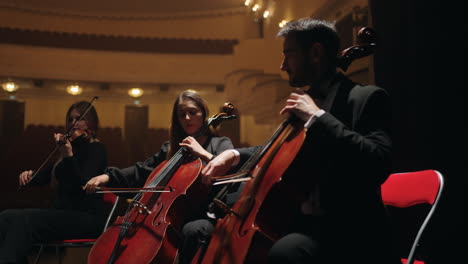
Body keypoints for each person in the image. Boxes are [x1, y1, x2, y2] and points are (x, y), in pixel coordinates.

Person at [200, 18, 401, 263]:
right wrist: (234, 155)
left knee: (284, 253)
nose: (283, 65)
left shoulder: (365, 98)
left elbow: (378, 161)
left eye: (289, 55)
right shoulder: (306, 103)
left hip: (348, 230)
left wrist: (317, 117)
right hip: (298, 220)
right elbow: (277, 151)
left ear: (315, 53)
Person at [83, 90, 234, 262]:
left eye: (192, 112)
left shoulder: (220, 144)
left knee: (194, 230)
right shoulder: (172, 149)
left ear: (203, 114)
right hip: (165, 217)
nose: (187, 118)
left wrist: (202, 153)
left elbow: (230, 174)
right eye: (181, 114)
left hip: (204, 214)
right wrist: (107, 177)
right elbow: (142, 171)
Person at [0, 101, 108, 264]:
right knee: (5, 217)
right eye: (70, 119)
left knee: (25, 221)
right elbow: (46, 175)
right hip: (63, 213)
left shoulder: (97, 150)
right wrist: (30, 176)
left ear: (91, 122)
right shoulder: (72, 148)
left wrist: (69, 156)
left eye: (79, 119)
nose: (73, 123)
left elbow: (83, 185)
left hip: (86, 216)